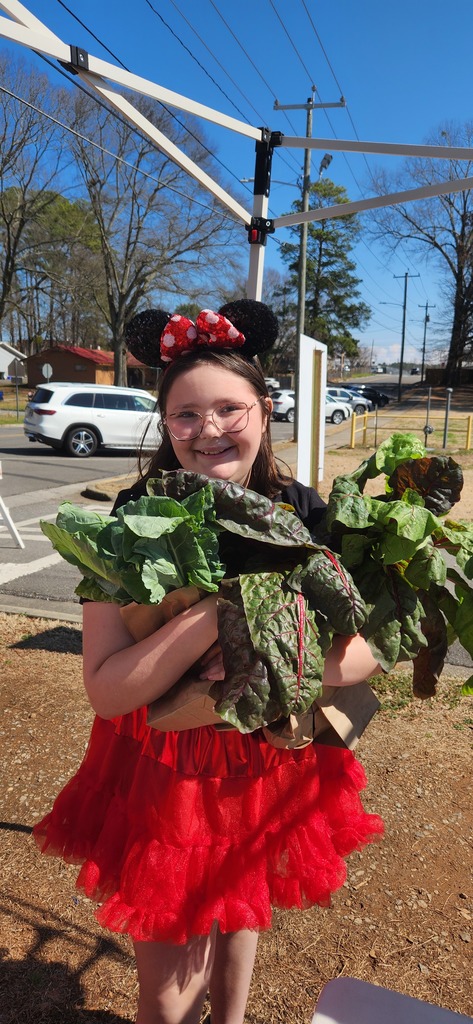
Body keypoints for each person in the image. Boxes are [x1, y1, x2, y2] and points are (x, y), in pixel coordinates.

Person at [33, 300, 383, 1024]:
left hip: (264, 762)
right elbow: (108, 691)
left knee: (240, 916)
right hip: (162, 771)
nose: (209, 430)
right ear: (165, 426)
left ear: (263, 408)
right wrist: (212, 618)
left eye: (229, 408)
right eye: (186, 415)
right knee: (165, 998)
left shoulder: (306, 513)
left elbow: (366, 653)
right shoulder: (127, 521)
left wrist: (263, 663)